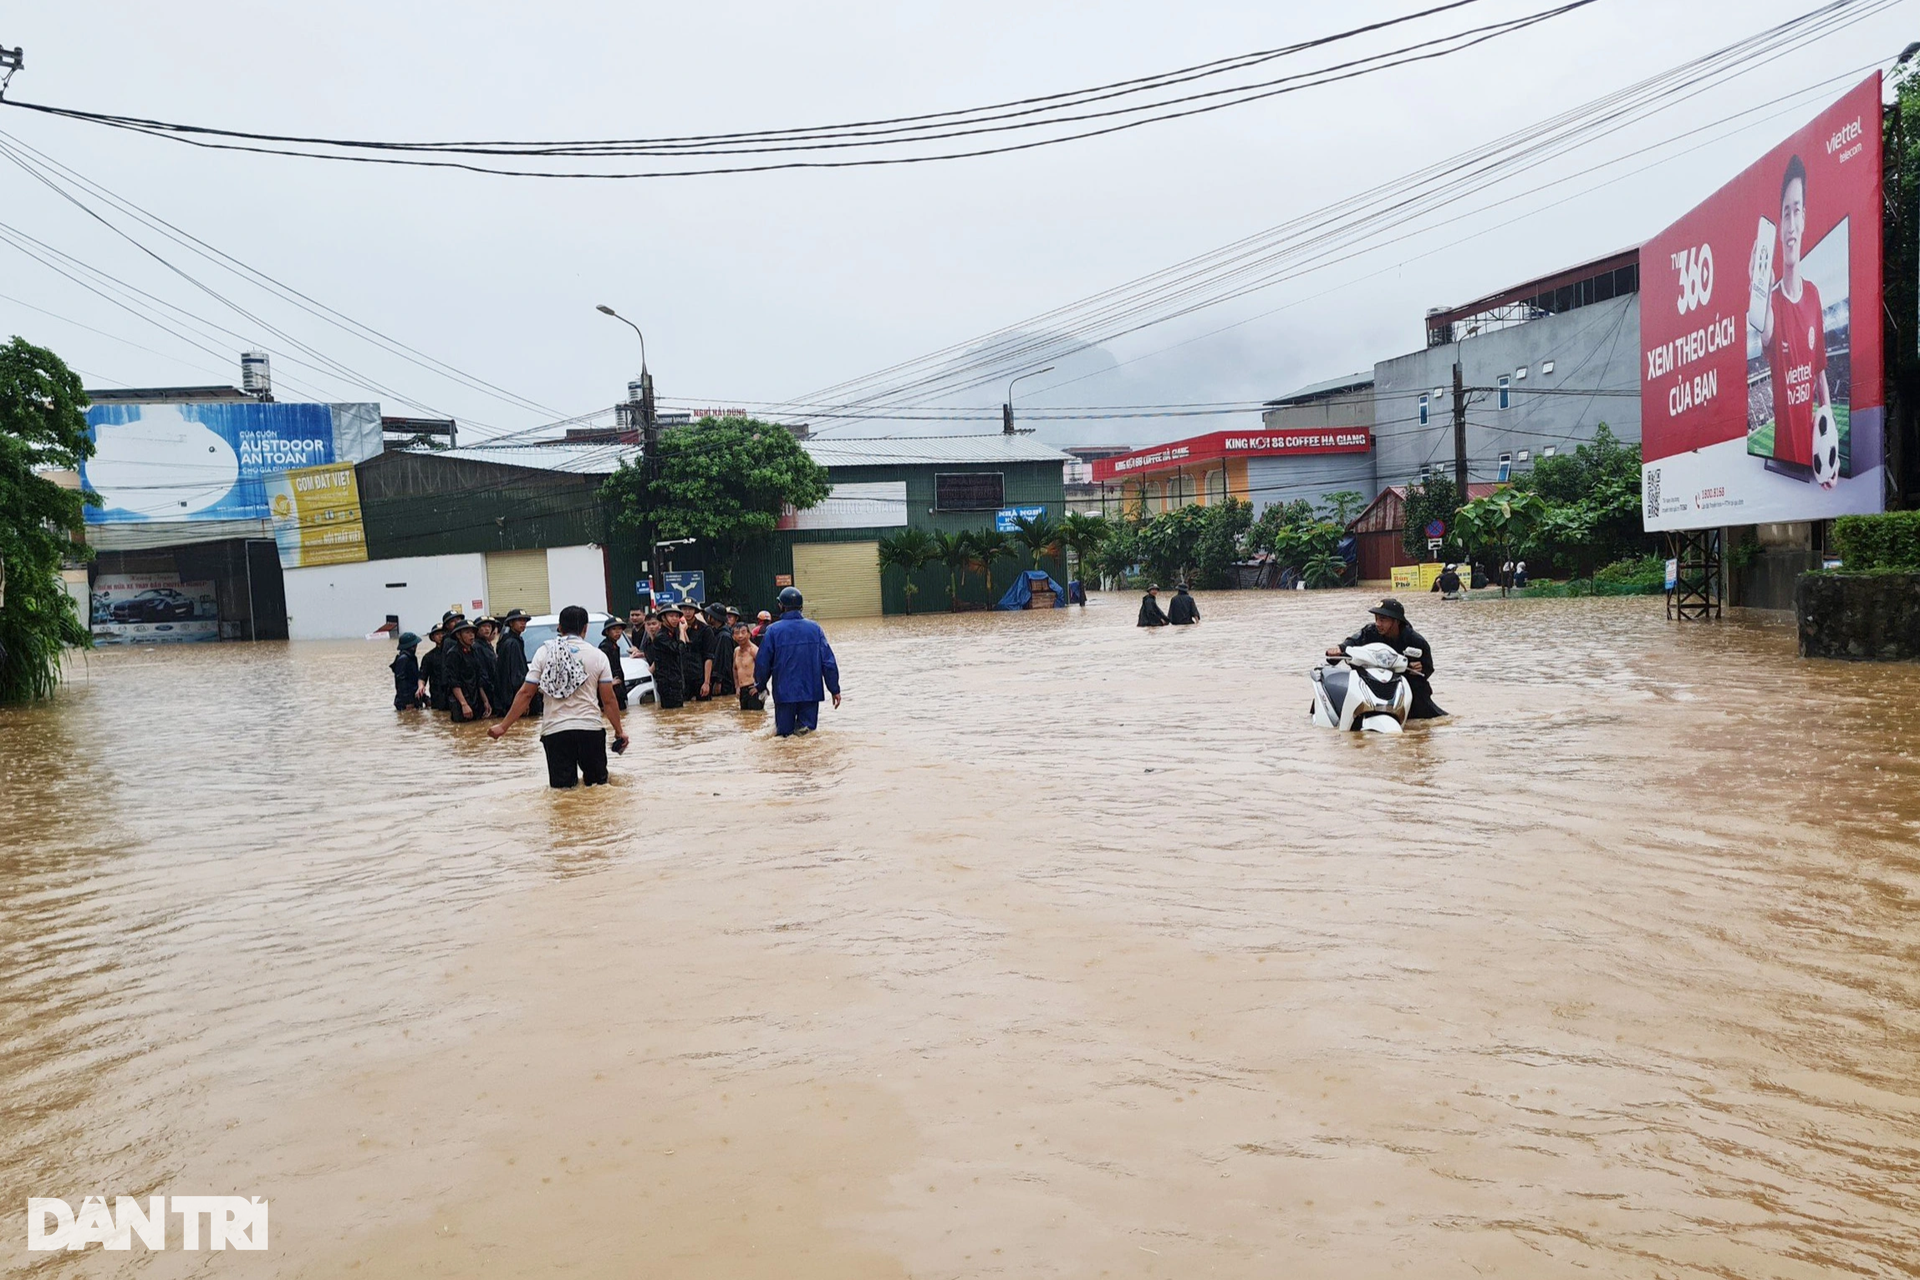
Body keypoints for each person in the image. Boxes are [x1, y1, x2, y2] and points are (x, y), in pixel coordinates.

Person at [1751, 154, 1837, 483]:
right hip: (1785, 472)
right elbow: (1766, 332)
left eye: (1796, 210)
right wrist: (1755, 287)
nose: (1789, 224)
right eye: (1784, 213)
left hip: (1815, 471)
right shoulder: (1771, 302)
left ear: (1804, 219)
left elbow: (1819, 377)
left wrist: (1829, 459)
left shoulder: (1814, 295)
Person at [490, 604, 628, 788]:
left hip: (556, 732)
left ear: (560, 628)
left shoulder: (544, 652)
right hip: (590, 730)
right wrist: (619, 731)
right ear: (585, 628)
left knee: (563, 794)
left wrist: (503, 726)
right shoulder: (598, 656)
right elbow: (609, 700)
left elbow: (525, 693)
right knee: (599, 788)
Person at [1325, 597, 1445, 720]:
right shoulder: (1370, 632)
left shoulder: (1416, 641)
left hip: (1406, 686)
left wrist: (1420, 668)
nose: (1378, 624)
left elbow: (1428, 668)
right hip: (1373, 682)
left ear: (1396, 621)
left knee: (1429, 716)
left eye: (1382, 620)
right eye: (1376, 619)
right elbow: (1352, 642)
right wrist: (1339, 649)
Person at [754, 586, 841, 737]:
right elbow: (828, 662)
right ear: (801, 606)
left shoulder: (773, 631)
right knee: (806, 736)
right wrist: (834, 689)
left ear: (781, 606)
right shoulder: (815, 629)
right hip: (811, 692)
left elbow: (763, 663)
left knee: (784, 738)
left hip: (784, 693)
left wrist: (760, 686)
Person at [445, 619, 494, 723]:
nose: (471, 635)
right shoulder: (453, 654)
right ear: (458, 635)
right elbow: (454, 682)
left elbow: (479, 679)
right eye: (467, 632)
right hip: (461, 704)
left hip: (476, 701)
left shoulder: (474, 651)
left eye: (472, 632)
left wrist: (485, 701)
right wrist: (464, 704)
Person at [497, 609, 538, 718]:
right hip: (514, 698)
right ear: (511, 623)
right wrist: (523, 701)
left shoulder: (512, 640)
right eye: (519, 621)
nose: (523, 624)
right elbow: (516, 675)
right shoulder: (512, 644)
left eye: (524, 621)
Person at [647, 608, 688, 710]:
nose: (674, 619)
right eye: (671, 616)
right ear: (663, 618)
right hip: (668, 684)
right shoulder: (662, 637)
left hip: (676, 682)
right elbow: (680, 649)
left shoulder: (672, 633)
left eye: (677, 616)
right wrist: (682, 630)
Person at [679, 602, 712, 702]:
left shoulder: (705, 630)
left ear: (695, 611)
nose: (687, 612)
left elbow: (709, 657)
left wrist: (706, 682)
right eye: (684, 609)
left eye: (690, 609)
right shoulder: (676, 629)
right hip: (683, 679)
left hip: (699, 677)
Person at [731, 622, 765, 712]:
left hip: (753, 688)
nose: (740, 636)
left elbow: (764, 668)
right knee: (745, 719)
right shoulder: (736, 651)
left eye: (743, 632)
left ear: (749, 634)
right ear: (733, 637)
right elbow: (735, 669)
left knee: (755, 718)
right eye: (737, 633)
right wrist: (737, 686)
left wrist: (759, 687)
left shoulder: (754, 650)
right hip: (742, 690)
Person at [705, 606, 737, 699]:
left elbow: (724, 660)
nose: (708, 617)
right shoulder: (717, 633)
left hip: (724, 683)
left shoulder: (724, 636)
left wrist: (719, 681)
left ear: (714, 618)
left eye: (709, 615)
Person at [600, 618, 631, 708]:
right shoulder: (605, 647)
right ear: (607, 632)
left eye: (619, 629)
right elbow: (600, 668)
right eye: (614, 629)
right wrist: (609, 682)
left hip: (618, 686)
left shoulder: (614, 645)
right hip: (611, 687)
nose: (618, 632)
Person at [391, 632, 426, 710]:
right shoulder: (404, 659)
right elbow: (401, 683)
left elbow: (414, 681)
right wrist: (408, 702)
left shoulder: (411, 658)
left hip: (413, 698)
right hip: (406, 702)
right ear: (413, 646)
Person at [474, 617, 502, 715]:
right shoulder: (476, 647)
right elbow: (481, 675)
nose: (487, 629)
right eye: (483, 626)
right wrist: (485, 700)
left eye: (489, 626)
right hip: (485, 694)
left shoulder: (487, 645)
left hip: (493, 691)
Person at [420, 624, 448, 711]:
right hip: (438, 694)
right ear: (433, 638)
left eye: (443, 633)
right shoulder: (429, 657)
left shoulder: (454, 652)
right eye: (437, 634)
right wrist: (421, 686)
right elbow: (423, 675)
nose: (441, 636)